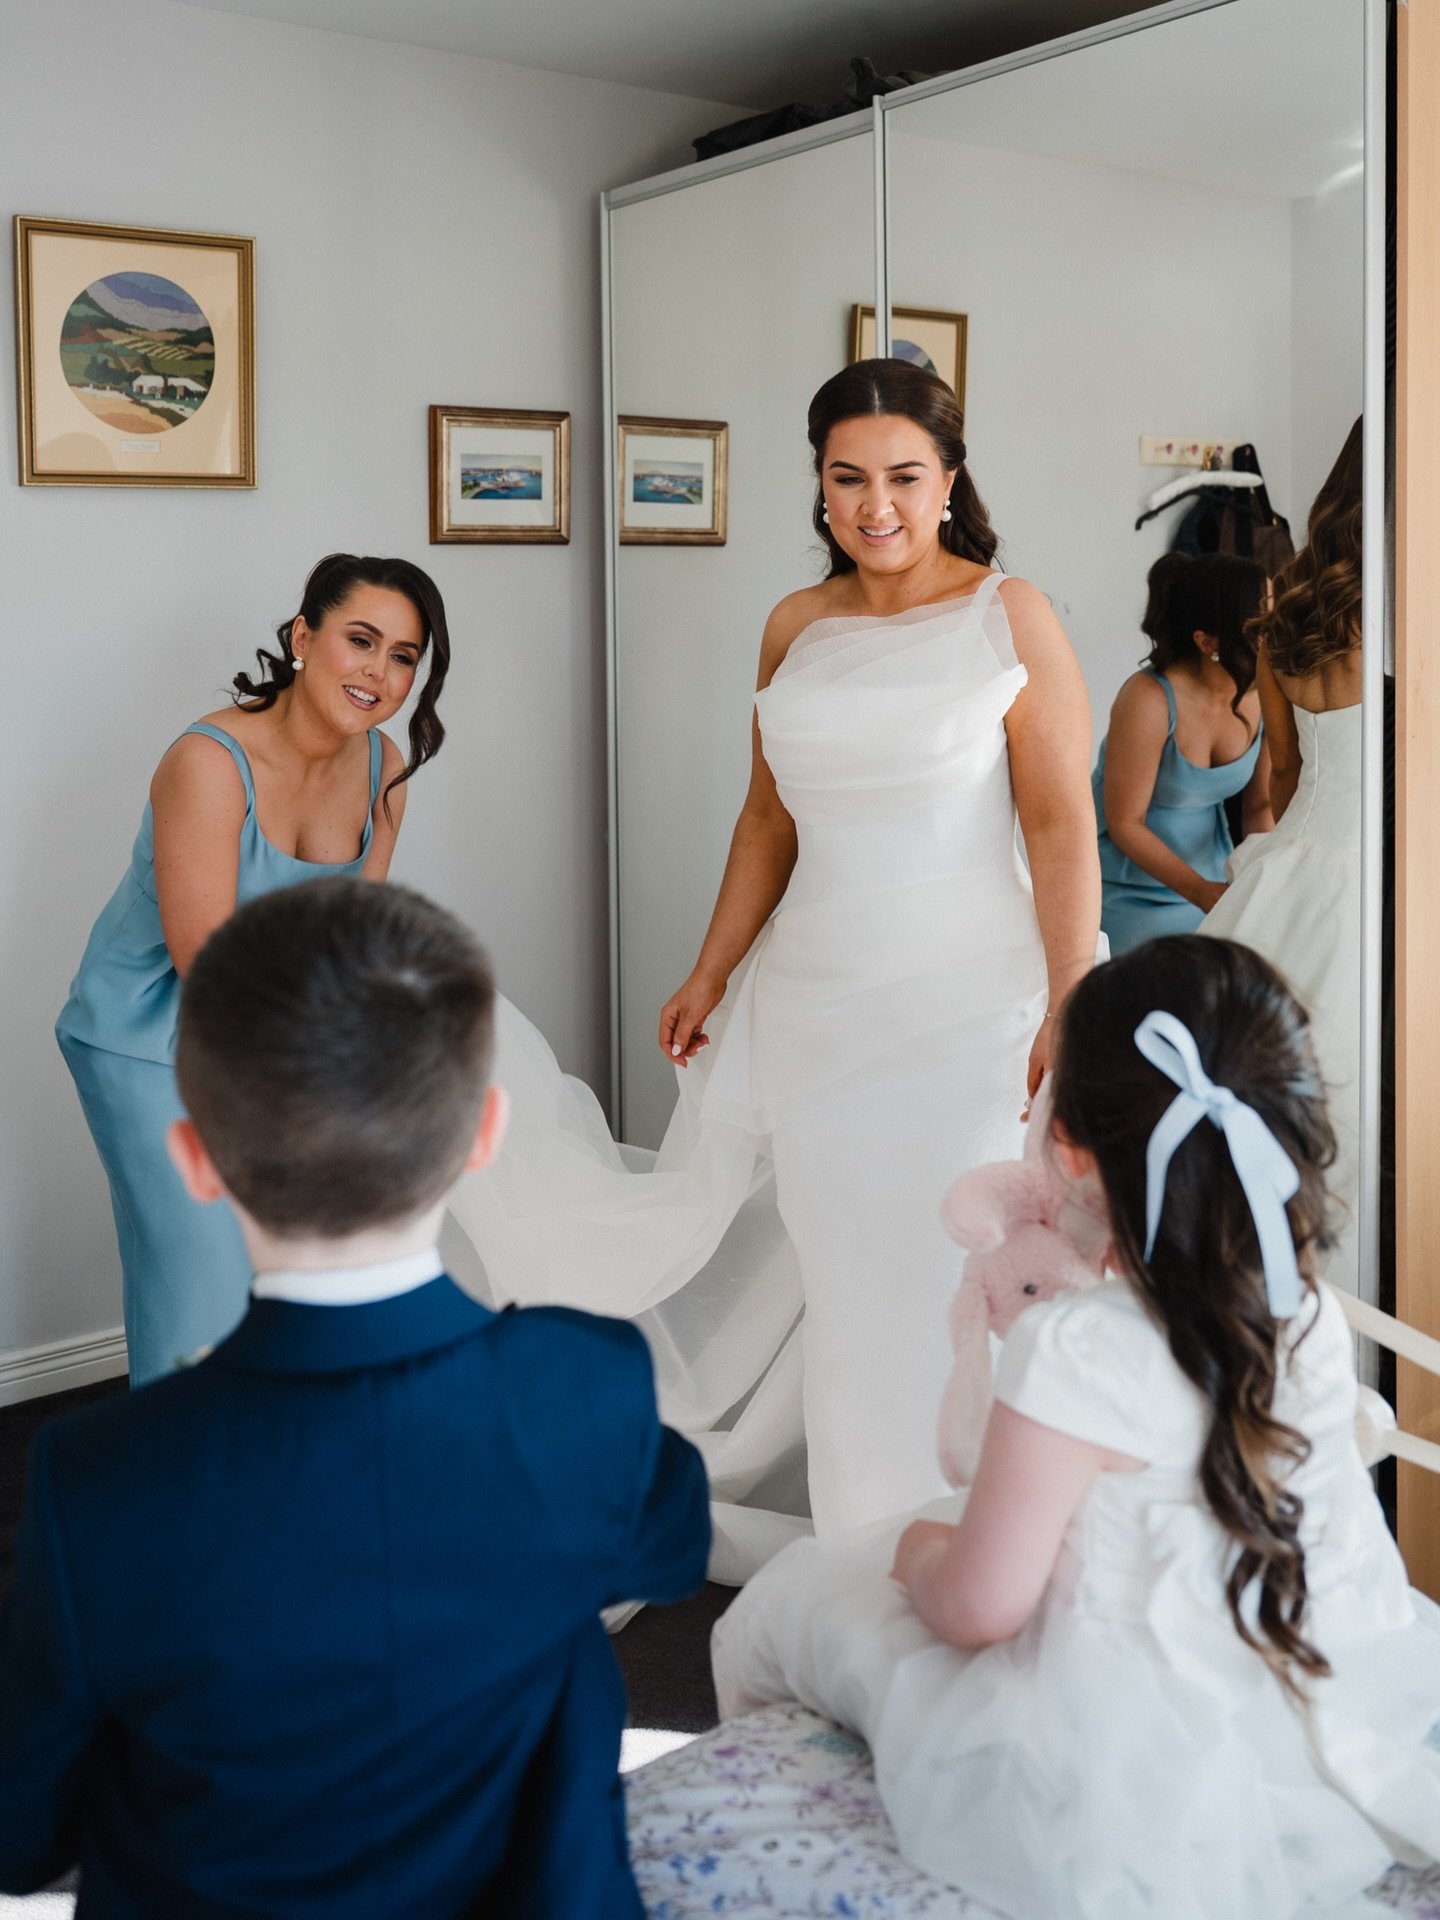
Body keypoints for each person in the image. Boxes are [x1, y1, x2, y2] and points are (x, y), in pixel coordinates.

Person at [447, 359, 1100, 1562]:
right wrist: (710, 970)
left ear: (949, 478)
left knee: (943, 1282)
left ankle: (984, 1552)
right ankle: (868, 1557)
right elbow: (767, 820)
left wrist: (1070, 994)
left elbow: (1061, 822)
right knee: (851, 1293)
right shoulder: (795, 626)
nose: (876, 505)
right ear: (819, 486)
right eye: (848, 479)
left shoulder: (1013, 615)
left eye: (904, 476)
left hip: (970, 1009)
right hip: (816, 1009)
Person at [0, 877, 710, 1919]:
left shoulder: (95, 1475)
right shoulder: (587, 1382)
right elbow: (670, 1551)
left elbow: (22, 1836)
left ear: (195, 1159)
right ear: (484, 1134)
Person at [713, 935, 1440, 1919]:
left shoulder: (1079, 1347)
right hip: (1309, 1664)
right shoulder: (1300, 1311)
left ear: (1076, 1153)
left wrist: (921, 1557)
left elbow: (981, 1607)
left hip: (1139, 1743)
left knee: (789, 1602)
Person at [56, 552, 451, 1385]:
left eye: (404, 656)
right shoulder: (207, 762)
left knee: (303, 1268)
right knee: (201, 1268)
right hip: (147, 1036)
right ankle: (182, 1480)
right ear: (304, 637)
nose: (379, 673)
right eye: (361, 641)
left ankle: (273, 1470)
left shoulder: (384, 771)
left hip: (278, 1033)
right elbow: (204, 961)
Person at [1202, 418, 1364, 1296]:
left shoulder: (1287, 613)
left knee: (1283, 1119)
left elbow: (1290, 773)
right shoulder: (1410, 617)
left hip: (1296, 867)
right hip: (1380, 879)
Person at [1094, 551, 1272, 953]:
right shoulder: (1148, 699)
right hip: (1126, 887)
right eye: (1261, 622)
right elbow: (1126, 824)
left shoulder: (1262, 694)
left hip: (1215, 876)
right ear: (1207, 640)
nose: (1276, 630)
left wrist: (1262, 878)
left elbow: (1259, 805)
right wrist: (1203, 894)